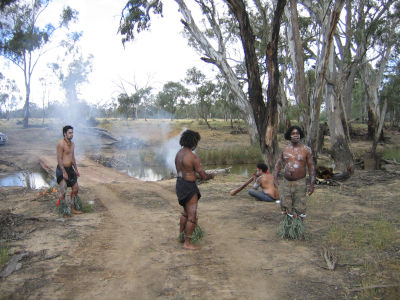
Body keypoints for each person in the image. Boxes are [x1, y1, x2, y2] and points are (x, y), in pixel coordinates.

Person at [175, 130, 214, 250]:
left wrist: (195, 176)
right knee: (192, 214)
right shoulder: (193, 157)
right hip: (189, 186)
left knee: (185, 212)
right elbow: (203, 175)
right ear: (193, 141)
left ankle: (181, 237)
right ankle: (187, 243)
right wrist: (210, 176)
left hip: (180, 184)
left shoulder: (178, 154)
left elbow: (186, 172)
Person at [274, 126, 315, 218]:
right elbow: (278, 164)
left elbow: (311, 167)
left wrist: (312, 184)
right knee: (285, 205)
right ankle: (288, 228)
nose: (295, 135)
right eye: (293, 133)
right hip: (286, 182)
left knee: (300, 206)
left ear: (300, 135)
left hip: (300, 182)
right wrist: (275, 178)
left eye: (297, 133)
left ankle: (297, 229)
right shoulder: (285, 150)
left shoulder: (306, 150)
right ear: (289, 136)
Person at [56, 125, 81, 216]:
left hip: (70, 169)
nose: (72, 134)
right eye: (70, 133)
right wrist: (63, 171)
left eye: (72, 132)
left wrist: (76, 169)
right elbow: (59, 159)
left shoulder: (73, 144)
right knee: (63, 189)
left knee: (75, 189)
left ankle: (72, 208)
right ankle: (63, 211)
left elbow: (73, 157)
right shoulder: (61, 144)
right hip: (61, 169)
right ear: (64, 134)